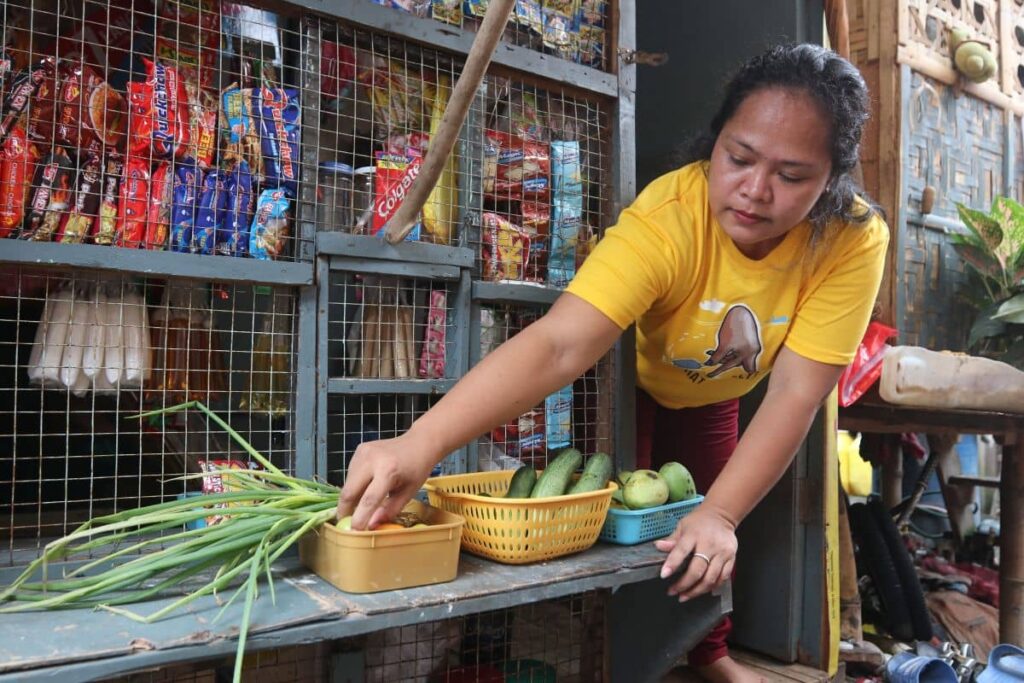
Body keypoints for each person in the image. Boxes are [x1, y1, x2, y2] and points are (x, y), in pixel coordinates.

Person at [338, 43, 888, 683]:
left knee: (705, 535)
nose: (755, 190)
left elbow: (796, 392)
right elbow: (560, 344)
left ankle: (710, 657)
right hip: (631, 387)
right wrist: (418, 443)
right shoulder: (668, 217)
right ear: (716, 143)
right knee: (619, 522)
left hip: (715, 394)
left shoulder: (851, 238)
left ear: (831, 179)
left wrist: (720, 514)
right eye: (738, 158)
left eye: (792, 176)